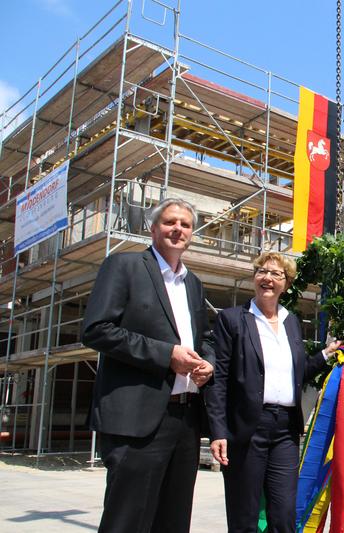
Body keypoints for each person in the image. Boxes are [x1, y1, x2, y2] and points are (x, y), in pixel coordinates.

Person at [81, 198, 215, 533]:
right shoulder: (123, 266)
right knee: (128, 521)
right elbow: (96, 329)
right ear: (153, 228)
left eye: (185, 224)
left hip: (185, 421)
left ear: (192, 234)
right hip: (138, 421)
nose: (178, 229)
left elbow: (202, 341)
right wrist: (167, 354)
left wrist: (207, 364)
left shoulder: (193, 284)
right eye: (170, 222)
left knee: (173, 521)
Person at [204, 251, 342, 533]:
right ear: (254, 278)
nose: (267, 278)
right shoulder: (233, 320)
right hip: (247, 428)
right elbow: (218, 379)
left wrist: (325, 356)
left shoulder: (291, 321)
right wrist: (218, 431)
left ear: (286, 283)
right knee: (245, 514)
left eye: (276, 274)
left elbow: (297, 373)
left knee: (283, 514)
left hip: (285, 430)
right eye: (262, 272)